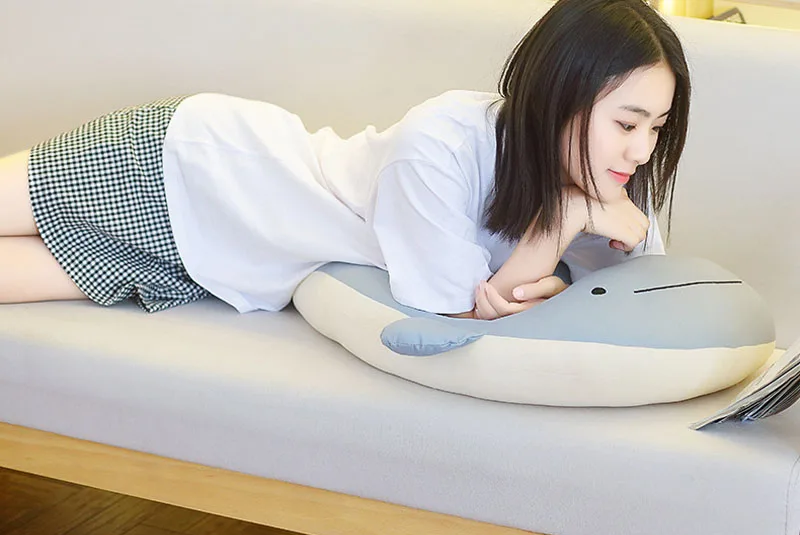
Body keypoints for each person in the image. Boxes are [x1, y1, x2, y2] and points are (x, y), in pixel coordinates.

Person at [0, 0, 689, 320]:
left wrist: (568, 250)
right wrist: (560, 222)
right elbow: (459, 312)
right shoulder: (442, 141)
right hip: (193, 163)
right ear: (558, 96)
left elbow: (645, 303)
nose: (640, 150)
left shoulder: (611, 179)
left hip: (225, 257)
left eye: (657, 128)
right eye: (626, 123)